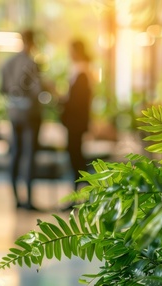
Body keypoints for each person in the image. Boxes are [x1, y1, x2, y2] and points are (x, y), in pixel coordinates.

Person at [0, 29, 44, 211]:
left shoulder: (8, 64)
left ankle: (17, 199)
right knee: (29, 154)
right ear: (32, 41)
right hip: (31, 115)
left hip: (14, 113)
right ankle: (28, 199)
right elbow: (37, 90)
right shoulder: (32, 64)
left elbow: (1, 88)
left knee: (16, 154)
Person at [60, 39, 93, 188]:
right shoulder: (79, 71)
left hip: (76, 123)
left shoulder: (82, 73)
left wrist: (62, 101)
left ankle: (81, 192)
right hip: (75, 122)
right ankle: (79, 193)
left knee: (76, 156)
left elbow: (77, 101)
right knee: (75, 156)